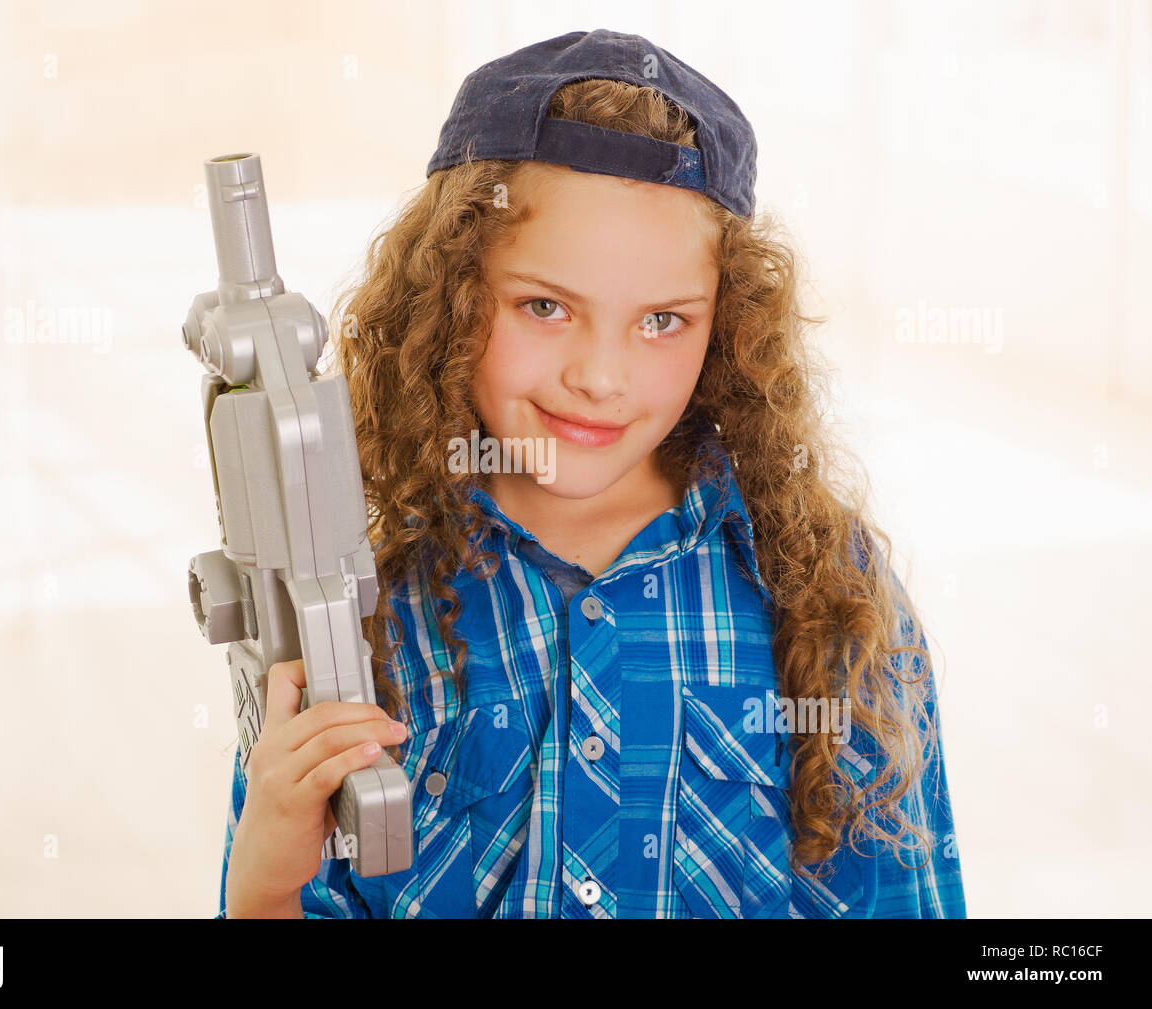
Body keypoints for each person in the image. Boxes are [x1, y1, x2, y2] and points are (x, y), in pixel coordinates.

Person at [218, 28, 967, 918]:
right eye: (545, 306)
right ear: (451, 296)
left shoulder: (819, 590)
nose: (601, 377)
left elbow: (904, 898)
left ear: (728, 326)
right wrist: (264, 880)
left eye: (662, 321)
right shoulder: (360, 613)